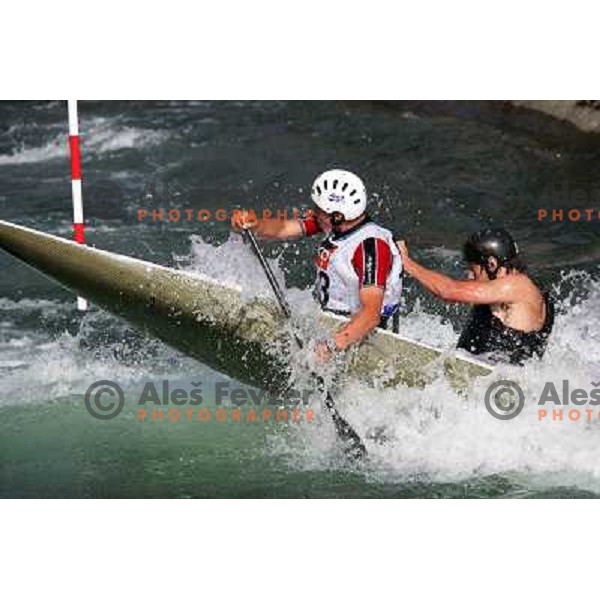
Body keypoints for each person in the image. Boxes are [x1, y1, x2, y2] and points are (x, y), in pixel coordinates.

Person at [231, 169, 403, 361]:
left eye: (319, 210)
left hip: (365, 332)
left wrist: (330, 346)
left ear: (337, 216)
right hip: (336, 321)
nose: (314, 213)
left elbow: (371, 315)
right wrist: (255, 225)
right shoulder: (334, 224)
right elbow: (284, 228)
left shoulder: (371, 247)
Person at [396, 228, 554, 364]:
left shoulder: (517, 285)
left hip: (497, 384)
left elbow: (448, 291)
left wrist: (406, 262)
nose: (470, 276)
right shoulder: (514, 290)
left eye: (474, 270)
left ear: (492, 264)